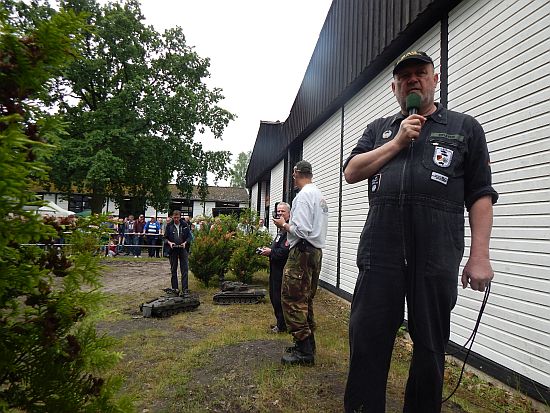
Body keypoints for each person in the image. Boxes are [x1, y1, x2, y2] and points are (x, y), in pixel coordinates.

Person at [342, 50, 498, 413]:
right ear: (395, 86)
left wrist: (479, 255)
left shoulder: (464, 128)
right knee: (367, 340)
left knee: (430, 347)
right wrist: (396, 142)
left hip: (436, 255)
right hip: (380, 253)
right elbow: (351, 171)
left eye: (420, 73)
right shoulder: (379, 129)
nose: (413, 79)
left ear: (434, 79)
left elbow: (480, 195)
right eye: (405, 76)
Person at [272, 160, 328, 366]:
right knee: (306, 298)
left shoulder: (303, 196)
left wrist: (284, 224)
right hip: (315, 251)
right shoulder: (319, 195)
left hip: (302, 251)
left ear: (297, 173)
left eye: (293, 174)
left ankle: (304, 350)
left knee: (292, 297)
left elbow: (302, 230)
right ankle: (307, 344)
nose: (292, 178)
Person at [260, 202, 291, 334]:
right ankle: (280, 322)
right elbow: (277, 248)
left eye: (282, 211)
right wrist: (268, 250)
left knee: (279, 298)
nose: (279, 213)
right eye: (278, 211)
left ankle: (283, 325)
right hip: (274, 269)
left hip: (282, 270)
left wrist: (271, 252)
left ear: (289, 213)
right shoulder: (281, 230)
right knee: (274, 296)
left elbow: (284, 252)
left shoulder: (289, 230)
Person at [164, 210, 191, 293]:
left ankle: (185, 289)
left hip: (183, 248)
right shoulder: (169, 225)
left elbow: (189, 237)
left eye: (177, 217)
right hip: (173, 249)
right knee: (173, 269)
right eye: (174, 217)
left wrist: (185, 243)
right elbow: (165, 238)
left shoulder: (185, 225)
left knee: (185, 269)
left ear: (180, 217)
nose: (176, 219)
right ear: (172, 217)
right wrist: (170, 243)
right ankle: (175, 288)